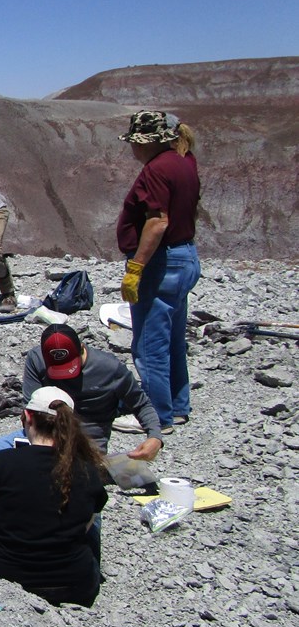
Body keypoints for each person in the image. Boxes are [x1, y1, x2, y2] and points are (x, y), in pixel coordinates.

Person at [0, 386, 108, 607]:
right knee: (94, 517)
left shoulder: (2, 462)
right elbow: (86, 526)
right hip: (78, 586)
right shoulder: (86, 469)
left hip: (7, 576)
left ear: (28, 418)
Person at [0, 323, 164, 486]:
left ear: (82, 349)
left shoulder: (110, 368)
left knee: (47, 483)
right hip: (39, 436)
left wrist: (155, 437)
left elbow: (141, 404)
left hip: (84, 444)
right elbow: (30, 409)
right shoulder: (36, 359)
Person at [116, 110, 202, 430]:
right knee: (173, 339)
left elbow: (157, 221)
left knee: (149, 343)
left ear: (149, 142)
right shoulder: (184, 162)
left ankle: (156, 417)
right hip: (185, 257)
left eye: (135, 143)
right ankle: (177, 407)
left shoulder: (157, 169)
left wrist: (136, 267)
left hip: (161, 263)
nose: (132, 149)